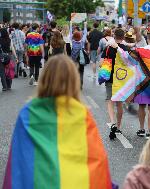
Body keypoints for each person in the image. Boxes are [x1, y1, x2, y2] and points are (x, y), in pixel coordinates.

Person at [2, 54, 113, 189]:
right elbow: (95, 157)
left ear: (44, 79)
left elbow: (19, 160)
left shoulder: (29, 112)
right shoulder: (81, 113)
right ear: (73, 81)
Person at [101, 28, 130, 137]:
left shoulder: (109, 48)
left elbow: (101, 63)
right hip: (121, 79)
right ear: (123, 37)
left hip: (109, 77)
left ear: (114, 35)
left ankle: (112, 122)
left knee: (110, 100)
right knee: (119, 103)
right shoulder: (125, 48)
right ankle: (118, 126)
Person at [71, 22, 88, 89]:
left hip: (74, 60)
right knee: (81, 72)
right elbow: (85, 33)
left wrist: (70, 25)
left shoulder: (72, 41)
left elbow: (70, 33)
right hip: (81, 59)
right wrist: (85, 26)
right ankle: (80, 85)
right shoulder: (82, 42)